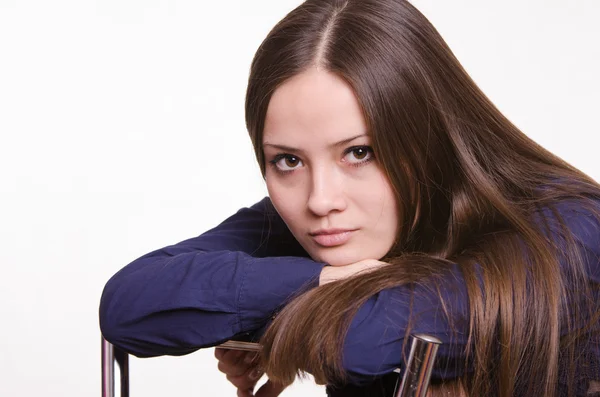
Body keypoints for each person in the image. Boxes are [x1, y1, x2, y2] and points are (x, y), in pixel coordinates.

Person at [99, 0, 600, 396]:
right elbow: (130, 305)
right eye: (287, 161)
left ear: (427, 138)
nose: (320, 200)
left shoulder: (571, 230)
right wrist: (317, 279)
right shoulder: (327, 228)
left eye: (359, 152)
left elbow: (361, 341)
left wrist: (277, 332)